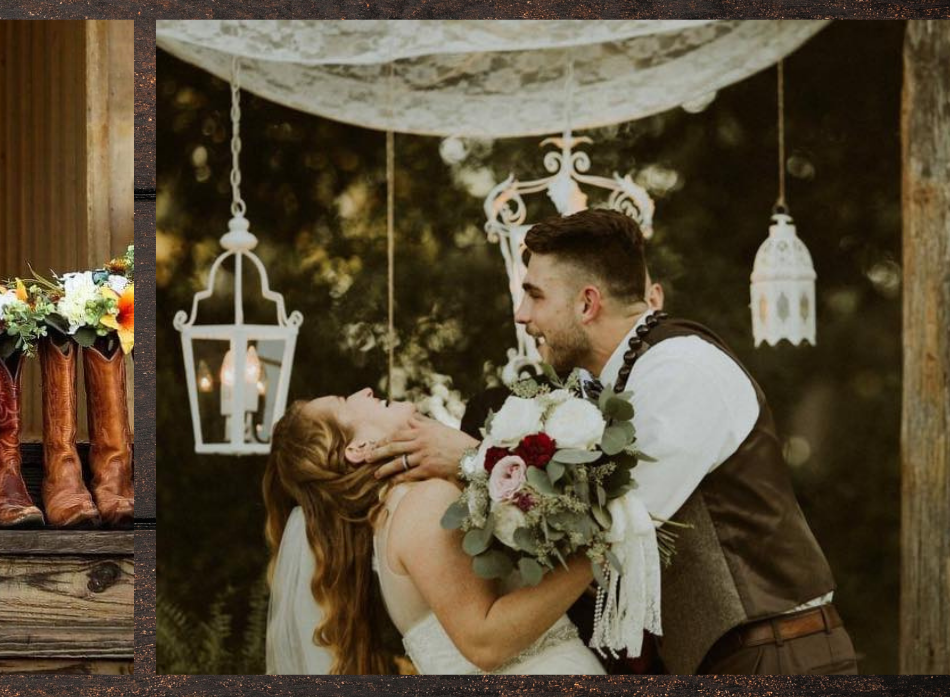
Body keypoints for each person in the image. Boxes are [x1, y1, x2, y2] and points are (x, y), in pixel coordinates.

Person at [360, 209, 859, 675]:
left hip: (777, 653)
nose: (520, 314)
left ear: (587, 303)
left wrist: (472, 458)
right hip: (735, 657)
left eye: (534, 295)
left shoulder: (683, 368)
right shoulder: (618, 383)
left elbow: (614, 512)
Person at [261, 388, 606, 674]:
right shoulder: (423, 503)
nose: (363, 391)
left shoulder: (395, 513)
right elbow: (485, 642)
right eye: (342, 402)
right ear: (359, 449)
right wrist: (602, 542)